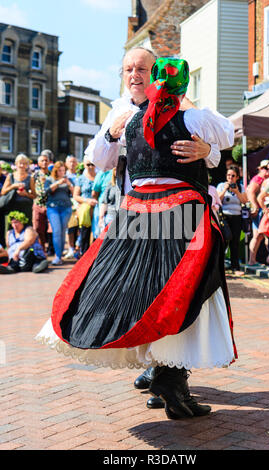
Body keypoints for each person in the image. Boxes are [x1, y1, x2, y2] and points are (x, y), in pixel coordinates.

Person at [36, 57, 237, 421]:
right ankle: (168, 377)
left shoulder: (136, 121)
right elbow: (225, 131)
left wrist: (206, 151)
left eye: (143, 70)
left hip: (137, 215)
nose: (135, 75)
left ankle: (170, 378)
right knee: (177, 292)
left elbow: (219, 143)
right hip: (170, 214)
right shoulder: (137, 116)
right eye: (129, 70)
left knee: (157, 292)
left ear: (153, 75)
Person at [217, 165, 248, 275]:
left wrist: (237, 192)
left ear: (237, 177)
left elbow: (245, 201)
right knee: (223, 241)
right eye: (228, 175)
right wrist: (225, 189)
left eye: (233, 176)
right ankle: (219, 267)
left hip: (237, 217)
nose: (230, 178)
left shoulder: (241, 187)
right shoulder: (221, 186)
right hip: (224, 217)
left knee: (235, 242)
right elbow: (218, 200)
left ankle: (235, 267)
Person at [44, 161, 74, 265]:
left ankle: (59, 255)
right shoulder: (49, 180)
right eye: (60, 170)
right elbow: (46, 191)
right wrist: (57, 183)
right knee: (56, 231)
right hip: (53, 208)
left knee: (62, 232)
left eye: (63, 170)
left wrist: (69, 184)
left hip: (66, 208)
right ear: (55, 171)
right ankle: (57, 256)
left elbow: (74, 193)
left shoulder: (68, 180)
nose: (62, 172)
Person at [246, 160, 269, 266]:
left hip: (262, 210)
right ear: (261, 169)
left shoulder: (264, 179)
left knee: (261, 235)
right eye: (266, 168)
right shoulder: (259, 178)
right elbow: (250, 192)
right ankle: (255, 260)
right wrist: (255, 207)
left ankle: (255, 260)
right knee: (261, 235)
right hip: (260, 210)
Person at [1, 154, 36, 225]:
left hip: (26, 207)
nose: (22, 165)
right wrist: (13, 186)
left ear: (27, 165)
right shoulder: (11, 176)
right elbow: (3, 192)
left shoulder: (30, 178)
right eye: (20, 163)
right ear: (16, 164)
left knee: (26, 229)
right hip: (13, 206)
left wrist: (25, 194)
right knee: (12, 229)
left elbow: (34, 195)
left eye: (24, 163)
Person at [73, 157, 98, 256]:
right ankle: (84, 253)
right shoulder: (81, 179)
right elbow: (75, 195)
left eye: (92, 164)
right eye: (88, 164)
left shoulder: (99, 176)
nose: (91, 167)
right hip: (85, 208)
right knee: (85, 233)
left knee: (97, 232)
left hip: (97, 207)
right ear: (84, 165)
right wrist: (86, 200)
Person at [32, 153, 51, 253]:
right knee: (38, 228)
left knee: (50, 229)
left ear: (49, 162)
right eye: (42, 161)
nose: (44, 162)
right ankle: (41, 250)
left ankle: (51, 250)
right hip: (38, 204)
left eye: (46, 160)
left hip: (50, 205)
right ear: (38, 163)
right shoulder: (34, 175)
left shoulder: (52, 174)